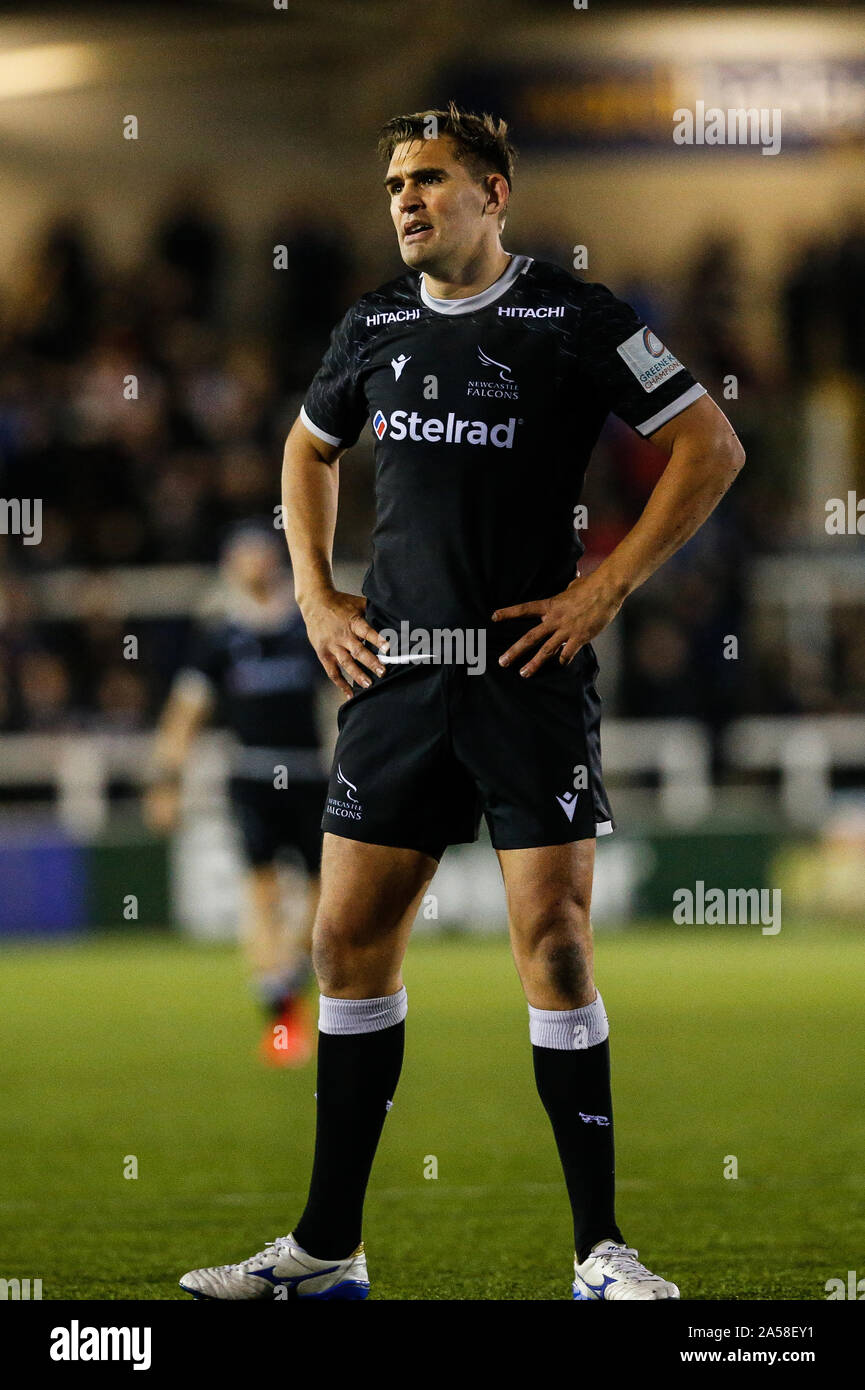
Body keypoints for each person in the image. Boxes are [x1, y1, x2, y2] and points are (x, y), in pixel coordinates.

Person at [180, 103, 744, 1301]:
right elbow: (305, 448)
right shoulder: (372, 324)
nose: (404, 199)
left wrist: (606, 589)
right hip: (394, 680)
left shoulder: (573, 318)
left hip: (525, 677)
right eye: (393, 181)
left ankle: (600, 1252)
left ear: (495, 193)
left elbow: (710, 445)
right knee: (343, 944)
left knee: (553, 942)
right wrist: (314, 594)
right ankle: (327, 1254)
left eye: (429, 178)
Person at [146, 522, 329, 1066]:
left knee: (325, 903)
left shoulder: (307, 626)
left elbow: (347, 694)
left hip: (312, 775)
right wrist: (166, 781)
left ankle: (287, 979)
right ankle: (281, 1030)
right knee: (263, 896)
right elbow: (186, 715)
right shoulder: (220, 638)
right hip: (251, 778)